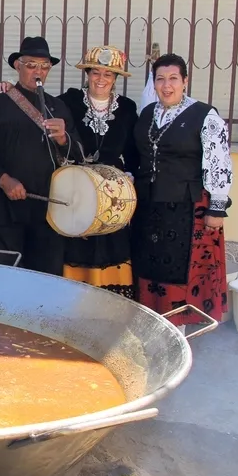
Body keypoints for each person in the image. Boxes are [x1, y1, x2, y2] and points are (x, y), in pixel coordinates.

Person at [131, 53, 233, 328]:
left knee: (180, 272)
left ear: (185, 81)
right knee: (150, 268)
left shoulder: (205, 115)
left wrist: (216, 208)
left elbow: (219, 162)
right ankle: (152, 327)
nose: (167, 86)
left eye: (173, 78)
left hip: (187, 207)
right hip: (150, 206)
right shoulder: (148, 113)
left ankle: (178, 333)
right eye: (160, 79)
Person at [0, 36, 77, 275]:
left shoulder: (58, 107)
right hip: (3, 211)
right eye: (31, 65)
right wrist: (3, 180)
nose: (38, 71)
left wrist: (63, 138)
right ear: (18, 66)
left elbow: (78, 156)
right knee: (4, 279)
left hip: (48, 212)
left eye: (44, 66)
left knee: (46, 280)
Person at [57, 45, 139, 298]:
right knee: (77, 241)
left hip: (113, 192)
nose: (101, 79)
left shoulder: (127, 108)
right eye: (95, 72)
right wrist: (5, 88)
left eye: (108, 74)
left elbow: (133, 151)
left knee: (111, 242)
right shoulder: (67, 102)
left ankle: (110, 302)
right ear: (87, 74)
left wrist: (130, 178)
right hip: (78, 188)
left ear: (115, 78)